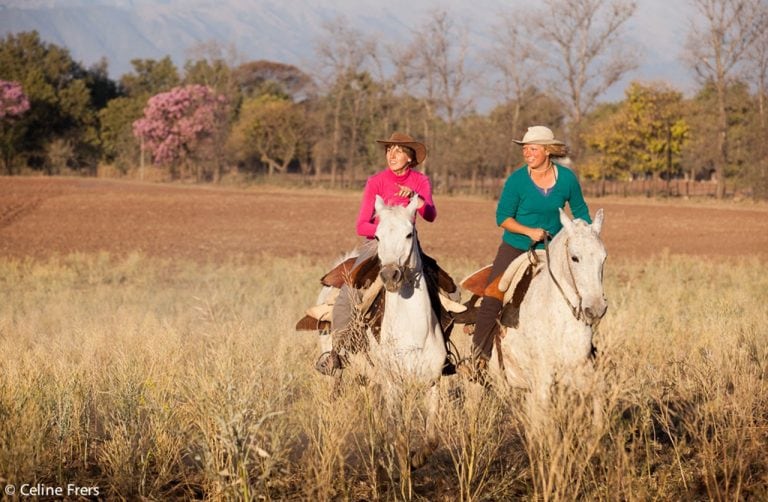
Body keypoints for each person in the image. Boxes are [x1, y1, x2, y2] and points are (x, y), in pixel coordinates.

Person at [461, 125, 592, 379]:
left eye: (532, 148)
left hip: (555, 250)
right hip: (517, 247)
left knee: (582, 294)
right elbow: (502, 218)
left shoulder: (566, 179)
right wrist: (529, 232)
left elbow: (581, 211)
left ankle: (586, 353)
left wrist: (583, 232)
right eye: (525, 149)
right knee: (493, 296)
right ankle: (477, 360)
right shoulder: (517, 180)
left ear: (547, 150)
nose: (527, 153)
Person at [315, 131, 438, 375]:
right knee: (349, 290)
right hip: (377, 243)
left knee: (445, 290)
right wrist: (385, 231)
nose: (392, 155)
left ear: (410, 158)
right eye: (388, 150)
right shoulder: (376, 181)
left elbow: (430, 215)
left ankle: (443, 354)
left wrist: (417, 198)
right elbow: (361, 225)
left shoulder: (420, 181)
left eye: (398, 150)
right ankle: (336, 353)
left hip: (406, 245)